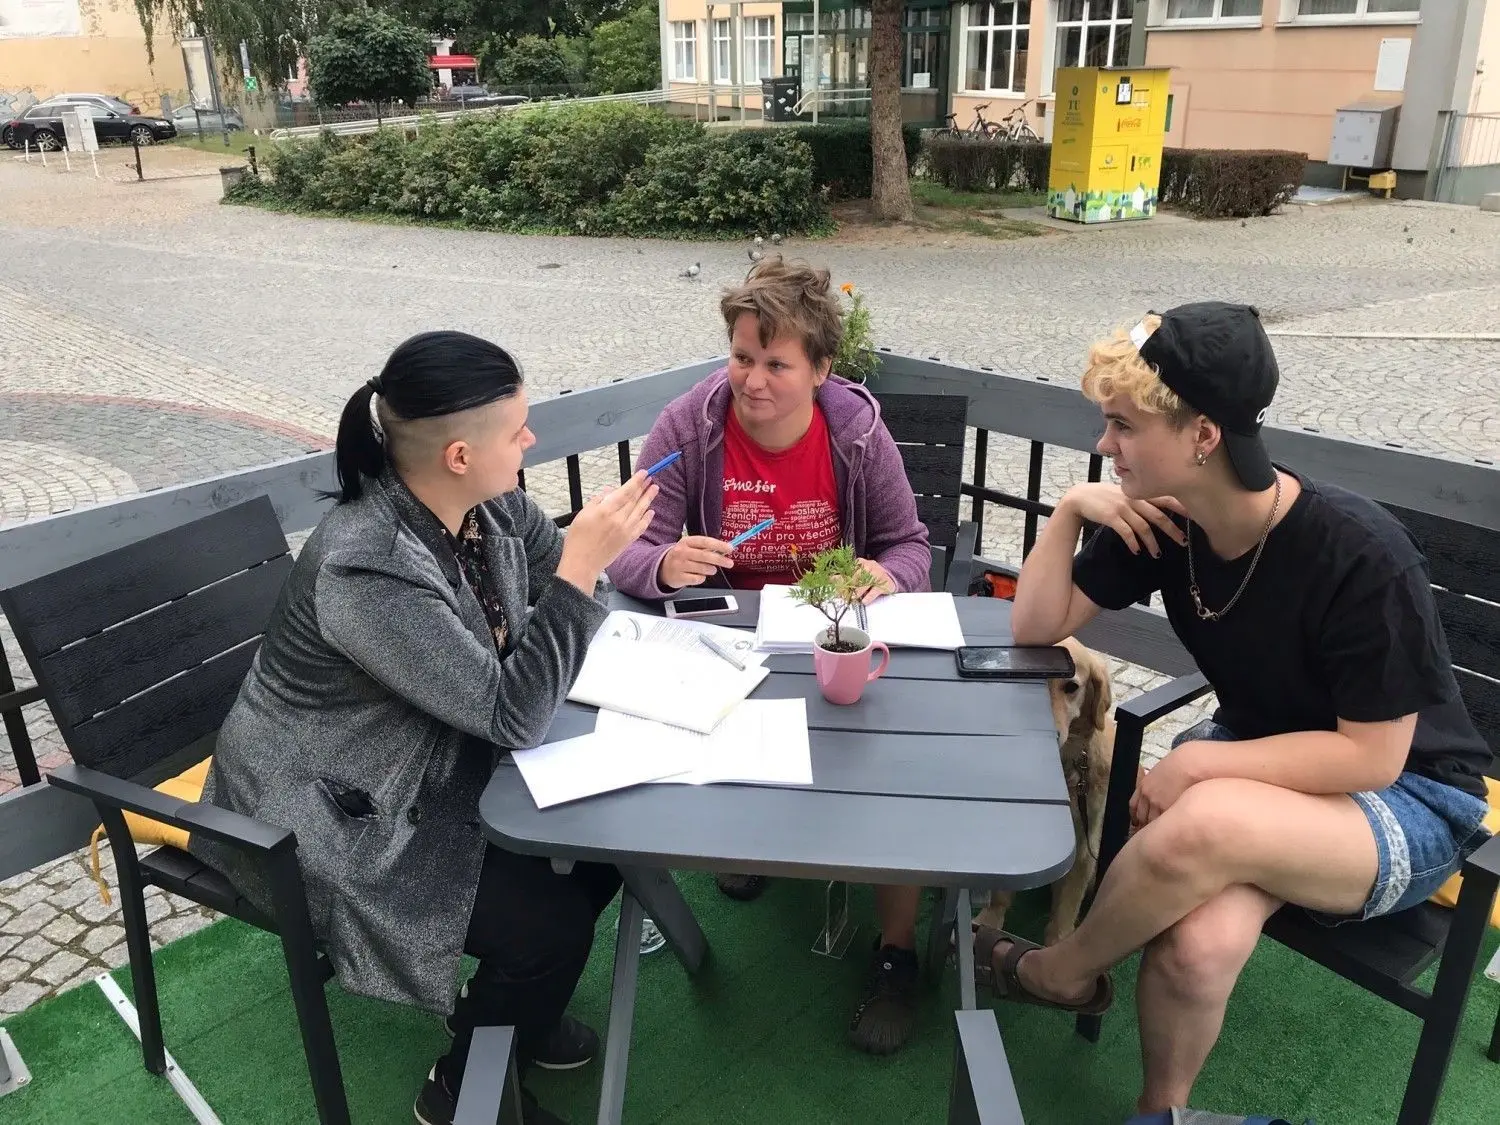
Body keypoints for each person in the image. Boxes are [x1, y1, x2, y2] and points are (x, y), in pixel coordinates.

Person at [977, 301, 1494, 1116]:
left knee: (1206, 817)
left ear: (1203, 435)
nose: (1106, 445)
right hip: (1267, 765)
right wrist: (1073, 511)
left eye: (1121, 425)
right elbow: (1037, 627)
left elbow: (1373, 758)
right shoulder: (1165, 521)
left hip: (1410, 797)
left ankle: (1059, 970)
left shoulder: (1360, 555)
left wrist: (1200, 758)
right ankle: (1162, 1112)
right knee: (1194, 945)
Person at [189, 331, 658, 1125]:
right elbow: (514, 711)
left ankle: (507, 1014)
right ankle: (459, 1089)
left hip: (429, 756)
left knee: (610, 849)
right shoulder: (363, 565)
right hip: (325, 808)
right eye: (517, 430)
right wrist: (580, 572)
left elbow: (560, 602)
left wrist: (581, 570)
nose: (531, 441)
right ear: (458, 457)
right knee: (548, 927)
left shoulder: (493, 507)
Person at [606, 256, 935, 1056]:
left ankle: (897, 948)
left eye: (777, 363)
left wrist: (883, 573)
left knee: (887, 770)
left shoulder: (853, 430)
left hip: (830, 631)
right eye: (742, 356)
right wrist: (661, 565)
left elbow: (912, 546)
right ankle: (756, 849)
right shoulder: (692, 423)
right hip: (729, 640)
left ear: (821, 369)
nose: (753, 381)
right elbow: (625, 542)